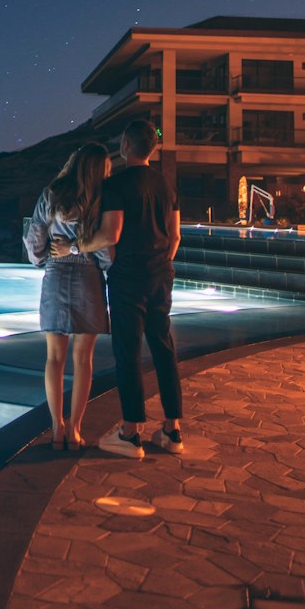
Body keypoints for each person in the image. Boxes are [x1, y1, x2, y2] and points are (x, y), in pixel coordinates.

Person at [78, 119, 183, 459]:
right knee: (163, 347)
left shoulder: (117, 184)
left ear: (124, 146)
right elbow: (176, 235)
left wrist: (79, 245)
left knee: (128, 351)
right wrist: (161, 263)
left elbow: (111, 235)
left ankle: (130, 432)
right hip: (160, 274)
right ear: (152, 148)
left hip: (128, 278)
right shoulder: (166, 185)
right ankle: (172, 429)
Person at [23, 142, 111, 450]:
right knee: (83, 360)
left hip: (57, 272)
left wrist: (41, 258)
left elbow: (35, 236)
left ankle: (56, 427)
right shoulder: (103, 197)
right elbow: (106, 248)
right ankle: (75, 429)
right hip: (88, 276)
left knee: (54, 358)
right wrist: (103, 266)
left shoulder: (52, 193)